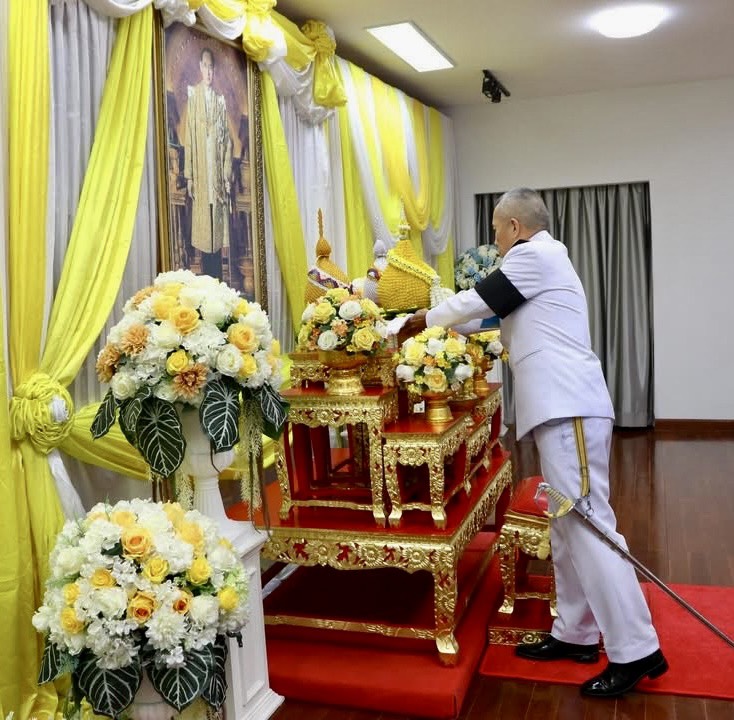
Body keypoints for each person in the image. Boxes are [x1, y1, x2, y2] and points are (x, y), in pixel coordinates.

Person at [397, 188, 667, 698]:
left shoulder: (534, 256)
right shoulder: (537, 265)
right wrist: (432, 316)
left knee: (588, 524)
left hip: (569, 408)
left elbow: (477, 300)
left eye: (497, 230)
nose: (495, 240)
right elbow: (485, 318)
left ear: (515, 227)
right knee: (565, 527)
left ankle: (636, 650)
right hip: (560, 410)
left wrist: (421, 319)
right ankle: (576, 634)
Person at [184, 47, 233, 278]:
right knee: (204, 227)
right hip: (202, 172)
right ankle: (206, 279)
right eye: (205, 66)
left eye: (211, 67)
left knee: (217, 226)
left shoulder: (220, 101)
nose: (209, 72)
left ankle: (218, 279)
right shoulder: (193, 97)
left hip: (217, 173)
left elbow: (228, 141)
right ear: (200, 68)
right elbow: (189, 138)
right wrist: (190, 176)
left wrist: (226, 173)